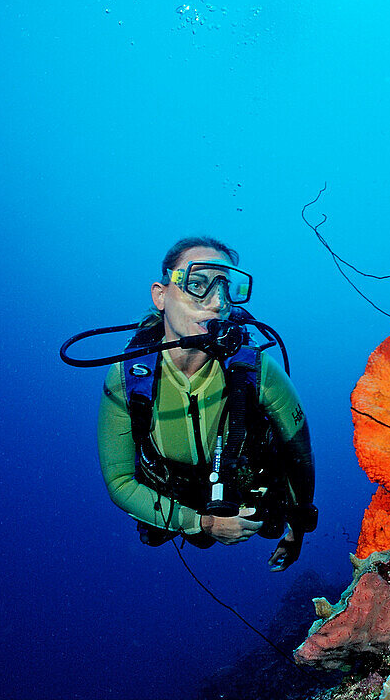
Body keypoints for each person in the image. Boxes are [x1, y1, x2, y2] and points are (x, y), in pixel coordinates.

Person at [97, 236, 315, 570]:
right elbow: (120, 482)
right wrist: (201, 523)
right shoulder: (128, 379)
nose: (216, 302)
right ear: (160, 294)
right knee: (160, 535)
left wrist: (297, 527)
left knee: (268, 523)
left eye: (226, 288)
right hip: (174, 496)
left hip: (242, 489)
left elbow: (299, 454)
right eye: (197, 284)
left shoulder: (258, 370)